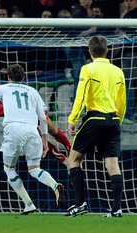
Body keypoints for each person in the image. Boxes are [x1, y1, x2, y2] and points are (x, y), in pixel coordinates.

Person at [0, 64, 65, 213]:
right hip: (32, 130)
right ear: (23, 78)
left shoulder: (2, 88)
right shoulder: (33, 91)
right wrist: (45, 141)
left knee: (9, 169)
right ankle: (55, 185)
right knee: (35, 169)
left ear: (8, 78)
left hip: (13, 129)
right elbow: (43, 118)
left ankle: (28, 204)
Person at [65, 36, 126, 217]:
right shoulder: (118, 71)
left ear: (90, 52)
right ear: (107, 51)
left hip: (94, 119)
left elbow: (81, 94)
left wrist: (73, 118)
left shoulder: (88, 68)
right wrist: (118, 121)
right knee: (112, 164)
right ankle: (117, 209)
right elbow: (121, 101)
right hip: (114, 120)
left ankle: (80, 203)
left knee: (74, 159)